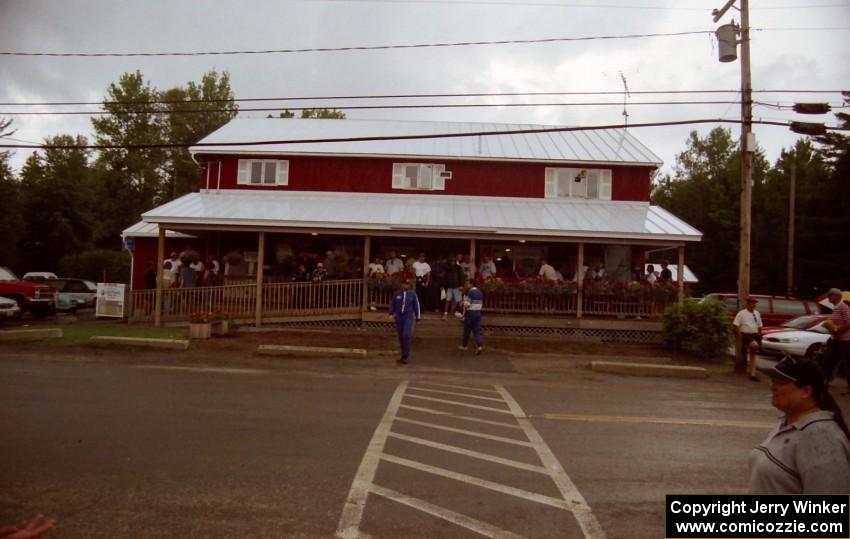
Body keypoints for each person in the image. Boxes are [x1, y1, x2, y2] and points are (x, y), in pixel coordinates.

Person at [748, 355, 850, 493]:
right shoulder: (788, 422)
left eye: (782, 383)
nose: (773, 387)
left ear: (806, 391)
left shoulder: (821, 437)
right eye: (773, 380)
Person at [823, 288, 850, 394]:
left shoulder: (843, 306)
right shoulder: (835, 307)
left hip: (846, 339)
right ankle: (825, 379)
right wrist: (830, 326)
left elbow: (849, 322)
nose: (828, 297)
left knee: (847, 362)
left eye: (830, 295)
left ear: (836, 296)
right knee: (829, 359)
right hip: (836, 338)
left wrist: (837, 329)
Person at [388, 278, 420, 364]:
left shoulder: (412, 294)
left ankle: (406, 354)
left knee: (406, 335)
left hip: (408, 316)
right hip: (399, 316)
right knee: (400, 336)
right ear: (402, 284)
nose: (405, 285)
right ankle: (403, 354)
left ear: (409, 285)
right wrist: (391, 313)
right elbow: (393, 304)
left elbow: (416, 305)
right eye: (404, 284)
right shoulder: (397, 293)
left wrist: (418, 316)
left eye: (407, 284)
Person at [733, 297, 763, 381]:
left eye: (754, 303)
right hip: (746, 334)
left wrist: (760, 334)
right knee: (754, 345)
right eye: (752, 303)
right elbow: (735, 325)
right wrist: (740, 335)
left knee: (753, 354)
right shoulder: (742, 313)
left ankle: (753, 374)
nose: (753, 305)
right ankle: (745, 347)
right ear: (748, 304)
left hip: (755, 334)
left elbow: (760, 325)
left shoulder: (757, 313)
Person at [458, 279, 484, 355]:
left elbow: (468, 304)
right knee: (476, 331)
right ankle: (479, 345)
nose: (467, 285)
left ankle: (464, 345)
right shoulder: (480, 292)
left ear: (472, 284)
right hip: (478, 313)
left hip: (470, 313)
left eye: (468, 284)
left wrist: (462, 303)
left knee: (466, 330)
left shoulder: (471, 292)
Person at [443, 255, 466, 320]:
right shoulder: (447, 268)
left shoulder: (459, 268)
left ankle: (463, 315)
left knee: (459, 301)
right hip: (450, 287)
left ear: (455, 261)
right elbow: (445, 278)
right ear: (449, 262)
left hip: (457, 287)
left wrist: (462, 285)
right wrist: (442, 286)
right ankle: (445, 314)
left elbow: (462, 277)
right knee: (447, 300)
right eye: (451, 261)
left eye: (453, 261)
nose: (452, 262)